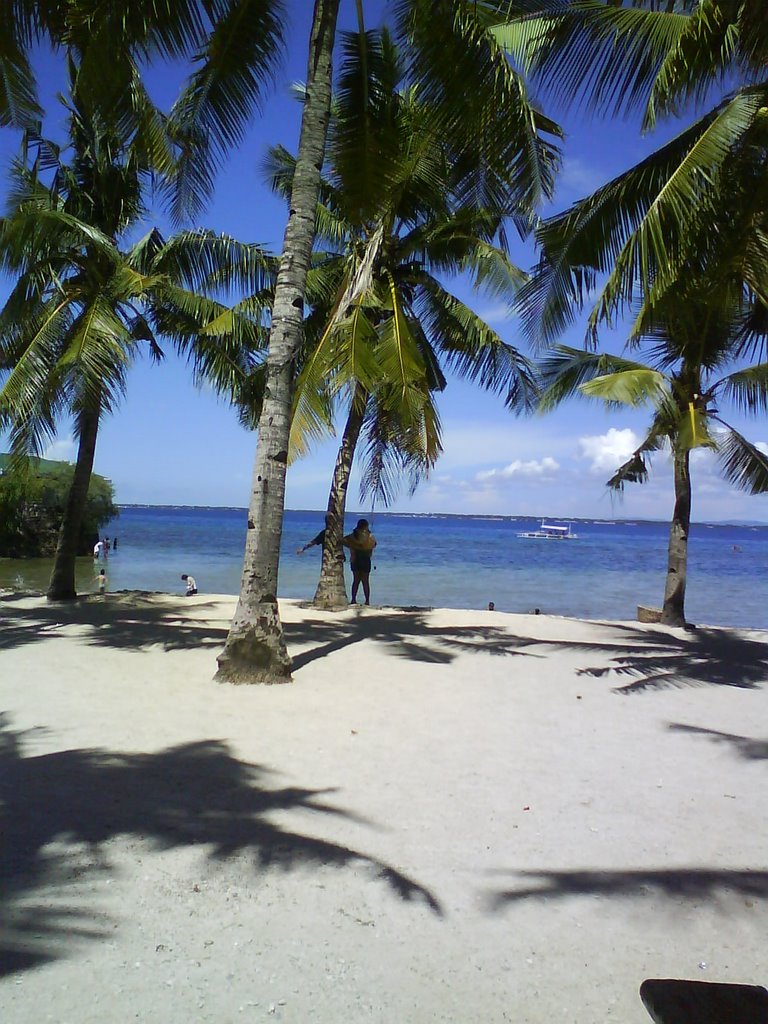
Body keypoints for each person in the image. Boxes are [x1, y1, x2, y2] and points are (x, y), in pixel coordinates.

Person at [343, 519, 377, 606]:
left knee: (356, 580)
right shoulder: (369, 536)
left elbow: (344, 541)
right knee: (365, 581)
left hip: (355, 558)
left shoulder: (353, 535)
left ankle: (353, 599)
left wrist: (353, 546)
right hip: (365, 558)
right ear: (366, 526)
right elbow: (373, 545)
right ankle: (367, 601)